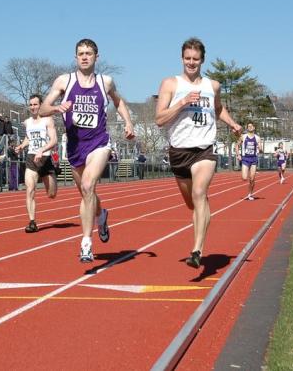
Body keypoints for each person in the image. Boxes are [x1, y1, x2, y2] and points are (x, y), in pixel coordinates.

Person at [40, 38, 135, 263]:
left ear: (96, 57)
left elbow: (119, 102)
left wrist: (128, 123)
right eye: (80, 53)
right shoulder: (65, 80)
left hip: (99, 143)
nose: (84, 56)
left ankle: (85, 243)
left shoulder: (105, 82)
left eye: (88, 53)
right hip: (75, 148)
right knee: (86, 193)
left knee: (88, 185)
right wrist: (56, 107)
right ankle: (101, 216)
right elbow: (42, 108)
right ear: (75, 57)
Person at [155, 37, 241, 268]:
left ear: (202, 60)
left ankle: (197, 250)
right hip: (179, 152)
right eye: (187, 59)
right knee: (192, 204)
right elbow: (159, 119)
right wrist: (182, 102)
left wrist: (232, 123)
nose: (191, 63)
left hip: (204, 149)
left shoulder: (212, 86)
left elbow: (218, 108)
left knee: (200, 193)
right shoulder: (170, 84)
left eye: (195, 59)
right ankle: (200, 224)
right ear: (182, 59)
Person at [16, 94, 58, 232]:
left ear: (41, 105)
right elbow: (29, 137)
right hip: (31, 158)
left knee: (51, 194)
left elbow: (53, 141)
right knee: (30, 190)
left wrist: (42, 150)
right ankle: (32, 222)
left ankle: (52, 179)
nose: (33, 107)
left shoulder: (48, 120)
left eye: (35, 104)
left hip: (45, 158)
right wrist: (22, 146)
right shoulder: (27, 122)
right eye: (31, 105)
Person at [237, 122, 262, 200]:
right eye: (248, 126)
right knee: (244, 178)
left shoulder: (257, 138)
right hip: (245, 158)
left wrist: (260, 149)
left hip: (254, 159)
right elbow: (237, 146)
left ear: (254, 128)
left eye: (251, 126)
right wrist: (238, 155)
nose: (250, 127)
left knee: (252, 179)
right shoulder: (243, 137)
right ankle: (250, 187)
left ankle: (250, 194)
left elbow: (261, 149)